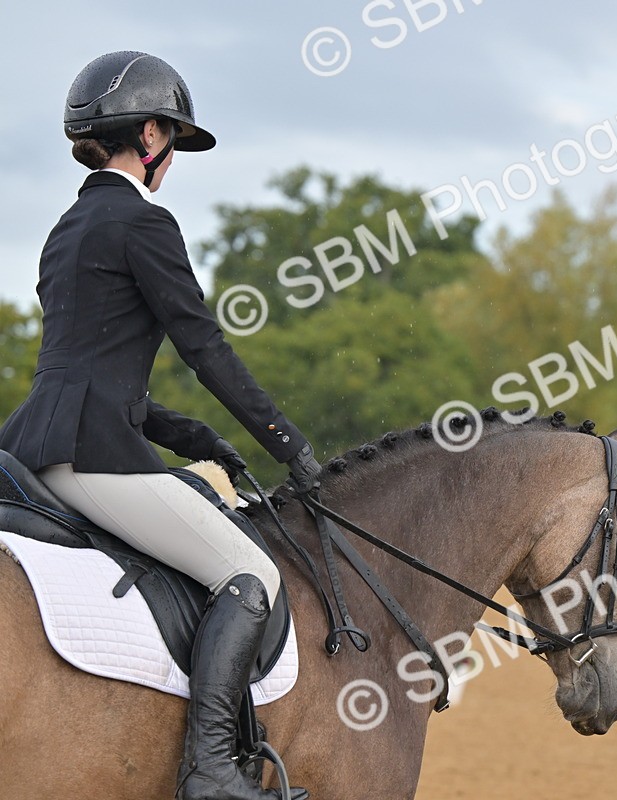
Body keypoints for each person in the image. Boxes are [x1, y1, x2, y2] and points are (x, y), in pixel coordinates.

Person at [0, 51, 319, 800]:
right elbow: (204, 348)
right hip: (95, 459)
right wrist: (287, 443)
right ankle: (211, 768)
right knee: (252, 574)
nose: (171, 155)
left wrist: (194, 438)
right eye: (171, 137)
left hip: (33, 449)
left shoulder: (67, 228)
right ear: (149, 136)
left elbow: (86, 372)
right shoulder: (146, 222)